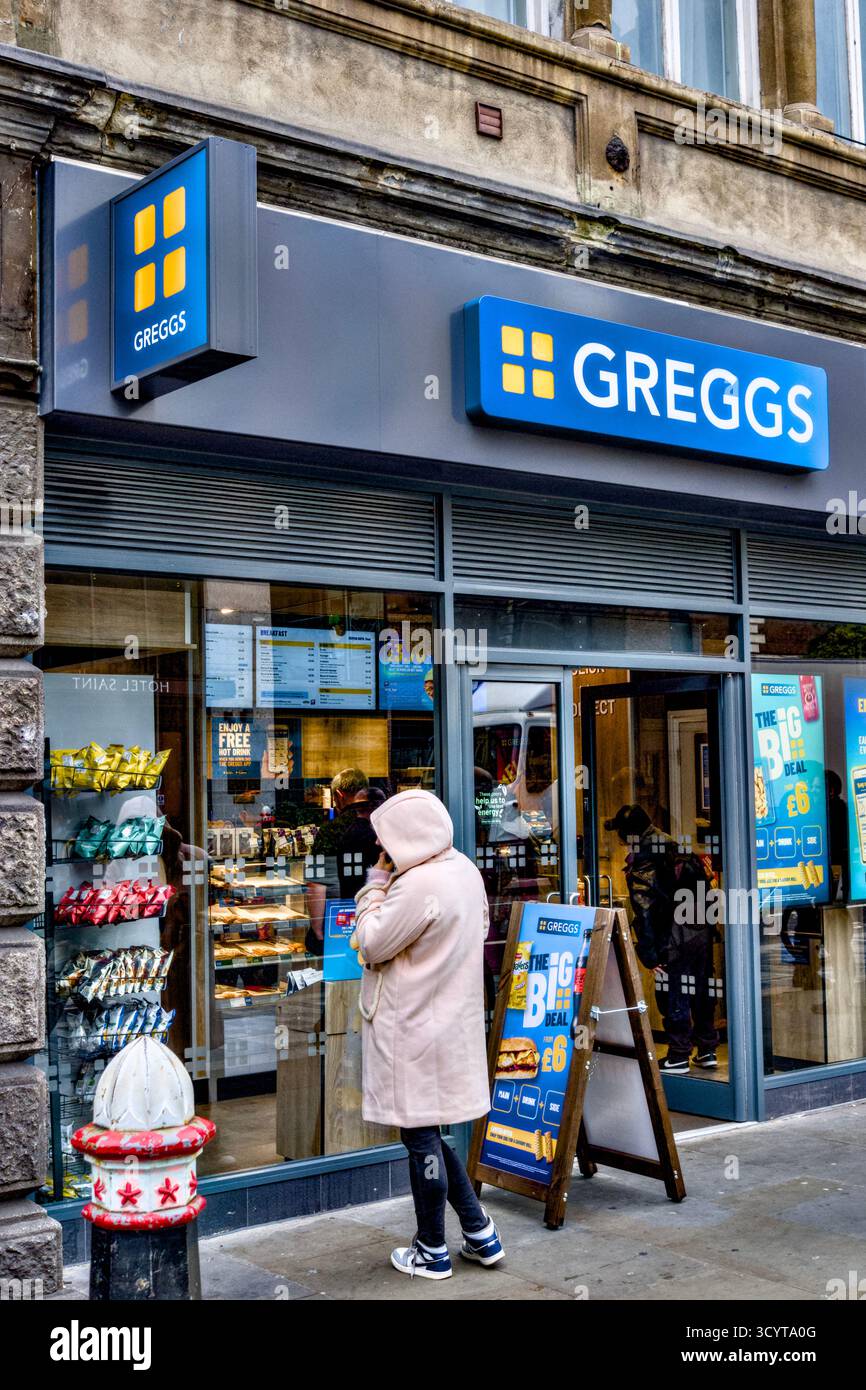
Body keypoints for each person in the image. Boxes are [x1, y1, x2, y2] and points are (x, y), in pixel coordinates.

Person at [351, 788, 504, 1280]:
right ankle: (480, 1232)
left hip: (411, 1027)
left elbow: (372, 943)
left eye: (386, 837)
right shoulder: (464, 870)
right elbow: (479, 929)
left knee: (420, 1140)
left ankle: (431, 1249)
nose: (381, 847)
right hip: (449, 1023)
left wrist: (374, 886)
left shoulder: (418, 885)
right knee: (429, 1133)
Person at [606, 803, 719, 1075]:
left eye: (621, 835)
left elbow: (644, 910)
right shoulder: (674, 846)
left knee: (673, 993)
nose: (621, 842)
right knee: (701, 990)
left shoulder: (644, 860)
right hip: (699, 929)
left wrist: (650, 955)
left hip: (673, 936)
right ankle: (707, 1049)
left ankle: (678, 1055)